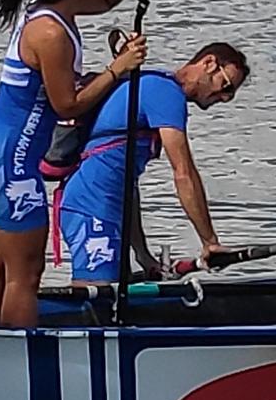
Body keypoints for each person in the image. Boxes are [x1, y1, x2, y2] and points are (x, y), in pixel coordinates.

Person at [0, 0, 145, 328]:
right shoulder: (50, 34)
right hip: (13, 154)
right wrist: (119, 69)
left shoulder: (55, 11)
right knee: (24, 276)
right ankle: (16, 364)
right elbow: (68, 105)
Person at [57, 43, 249, 284]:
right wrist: (210, 242)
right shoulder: (166, 94)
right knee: (97, 303)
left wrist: (143, 254)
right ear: (208, 63)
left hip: (101, 207)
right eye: (226, 86)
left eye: (230, 95)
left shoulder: (155, 85)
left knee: (115, 295)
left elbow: (128, 186)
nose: (225, 98)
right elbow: (183, 173)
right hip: (92, 207)